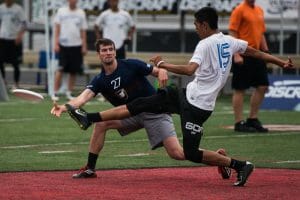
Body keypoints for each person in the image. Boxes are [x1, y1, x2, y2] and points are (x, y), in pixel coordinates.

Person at [61, 7, 293, 186]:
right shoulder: (229, 41)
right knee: (141, 103)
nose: (195, 28)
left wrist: (163, 64)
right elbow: (254, 51)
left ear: (204, 24)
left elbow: (190, 70)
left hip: (198, 106)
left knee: (188, 153)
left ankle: (239, 165)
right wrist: (281, 62)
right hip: (186, 95)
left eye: (196, 24)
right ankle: (89, 118)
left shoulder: (205, 44)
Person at [51, 38, 231, 180]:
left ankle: (220, 159)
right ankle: (90, 169)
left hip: (155, 112)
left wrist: (162, 72)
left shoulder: (130, 65)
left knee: (177, 154)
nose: (108, 53)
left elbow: (157, 71)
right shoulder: (99, 80)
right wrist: (64, 107)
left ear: (115, 51)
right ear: (98, 54)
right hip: (130, 114)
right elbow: (82, 98)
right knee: (101, 124)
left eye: (111, 49)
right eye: (104, 50)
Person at [229, 0, 270, 132]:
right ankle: (238, 122)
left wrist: (266, 51)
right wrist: (236, 54)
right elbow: (232, 32)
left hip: (257, 54)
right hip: (243, 53)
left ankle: (252, 119)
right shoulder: (239, 9)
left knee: (262, 86)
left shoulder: (259, 10)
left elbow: (261, 33)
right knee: (240, 88)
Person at [52, 0, 88, 101]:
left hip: (76, 45)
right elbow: (57, 28)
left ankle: (69, 92)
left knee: (73, 70)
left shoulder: (81, 13)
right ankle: (54, 92)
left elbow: (83, 30)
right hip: (63, 45)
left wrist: (84, 45)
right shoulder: (61, 11)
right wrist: (56, 43)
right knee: (60, 69)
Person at [0, 0, 26, 89]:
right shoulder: (1, 8)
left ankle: (16, 83)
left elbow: (24, 24)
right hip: (3, 39)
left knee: (15, 63)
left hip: (14, 40)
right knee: (1, 61)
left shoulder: (18, 9)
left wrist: (19, 36)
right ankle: (3, 82)